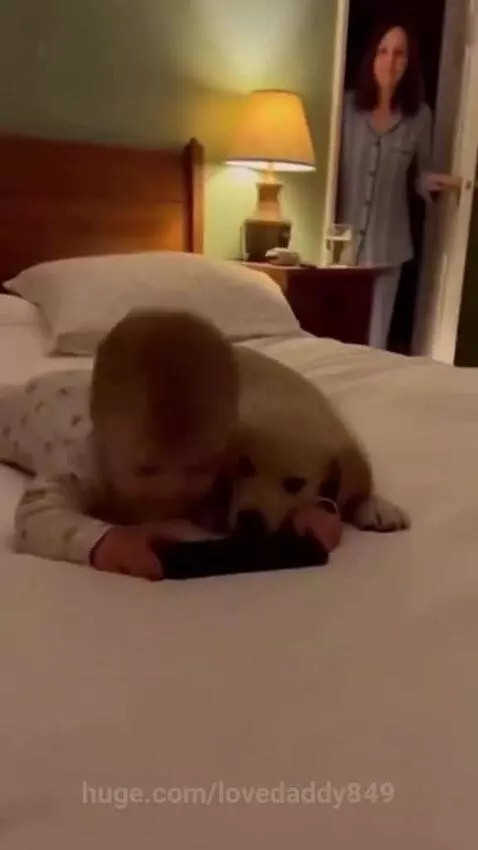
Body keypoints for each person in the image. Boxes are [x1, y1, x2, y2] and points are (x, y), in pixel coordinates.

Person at [0, 309, 342, 579]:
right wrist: (102, 542)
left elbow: (269, 482)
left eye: (198, 468)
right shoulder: (82, 459)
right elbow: (34, 517)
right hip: (39, 403)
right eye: (147, 470)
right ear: (102, 438)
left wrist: (309, 509)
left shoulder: (213, 443)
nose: (173, 490)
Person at [337, 21, 461, 349]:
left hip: (389, 248)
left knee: (375, 344)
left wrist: (435, 181)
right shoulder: (346, 108)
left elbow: (421, 174)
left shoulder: (419, 116)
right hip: (339, 250)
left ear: (408, 63)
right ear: (372, 57)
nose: (390, 61)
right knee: (338, 337)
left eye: (399, 53)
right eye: (383, 51)